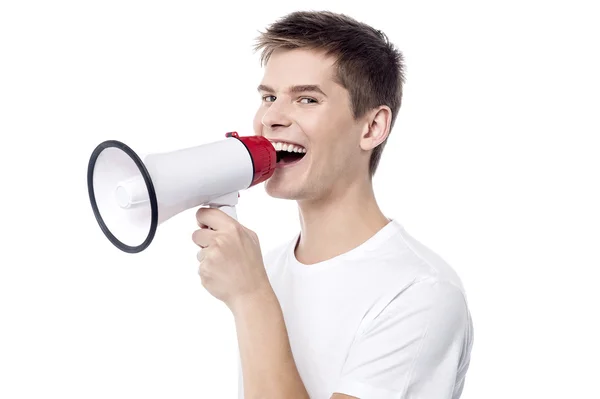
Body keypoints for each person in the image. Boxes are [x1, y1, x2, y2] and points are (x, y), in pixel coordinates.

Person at [192, 10, 474, 399]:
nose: (271, 118)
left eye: (307, 99)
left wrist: (250, 298)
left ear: (372, 127)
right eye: (269, 97)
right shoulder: (267, 267)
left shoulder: (420, 293)